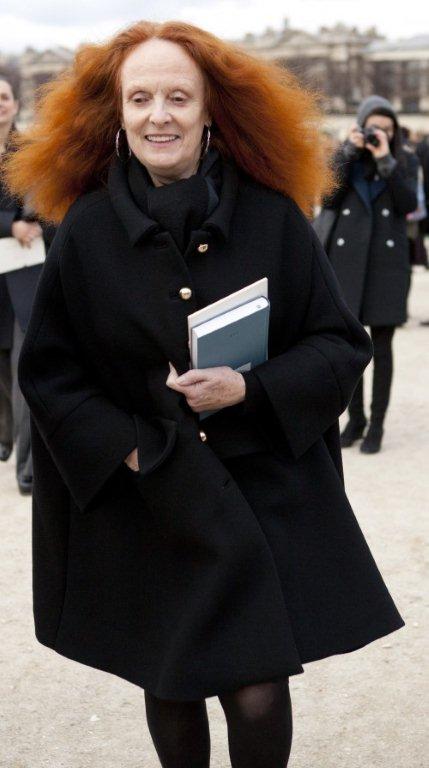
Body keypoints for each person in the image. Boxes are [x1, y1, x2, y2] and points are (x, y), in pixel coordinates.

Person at [5, 23, 405, 768]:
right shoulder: (85, 229)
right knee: (173, 679)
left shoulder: (273, 216)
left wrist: (249, 388)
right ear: (117, 112)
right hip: (150, 494)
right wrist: (127, 449)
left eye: (178, 97)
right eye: (140, 98)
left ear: (210, 109)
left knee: (257, 689)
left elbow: (339, 344)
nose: (159, 115)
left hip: (258, 486)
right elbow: (51, 373)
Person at [319, 95, 418, 454]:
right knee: (352, 347)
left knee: (383, 346)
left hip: (387, 265)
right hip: (348, 263)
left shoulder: (403, 160)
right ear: (361, 126)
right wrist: (348, 151)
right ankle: (355, 419)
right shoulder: (347, 159)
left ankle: (376, 424)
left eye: (388, 129)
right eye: (375, 127)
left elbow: (409, 205)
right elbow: (327, 198)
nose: (381, 134)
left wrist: (386, 161)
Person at [0, 78, 55, 493]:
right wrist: (10, 224)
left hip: (23, 274)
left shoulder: (29, 152)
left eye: (3, 97)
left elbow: (43, 205)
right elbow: (17, 218)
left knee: (23, 372)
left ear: (15, 105)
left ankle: (28, 471)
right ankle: (5, 440)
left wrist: (27, 221)